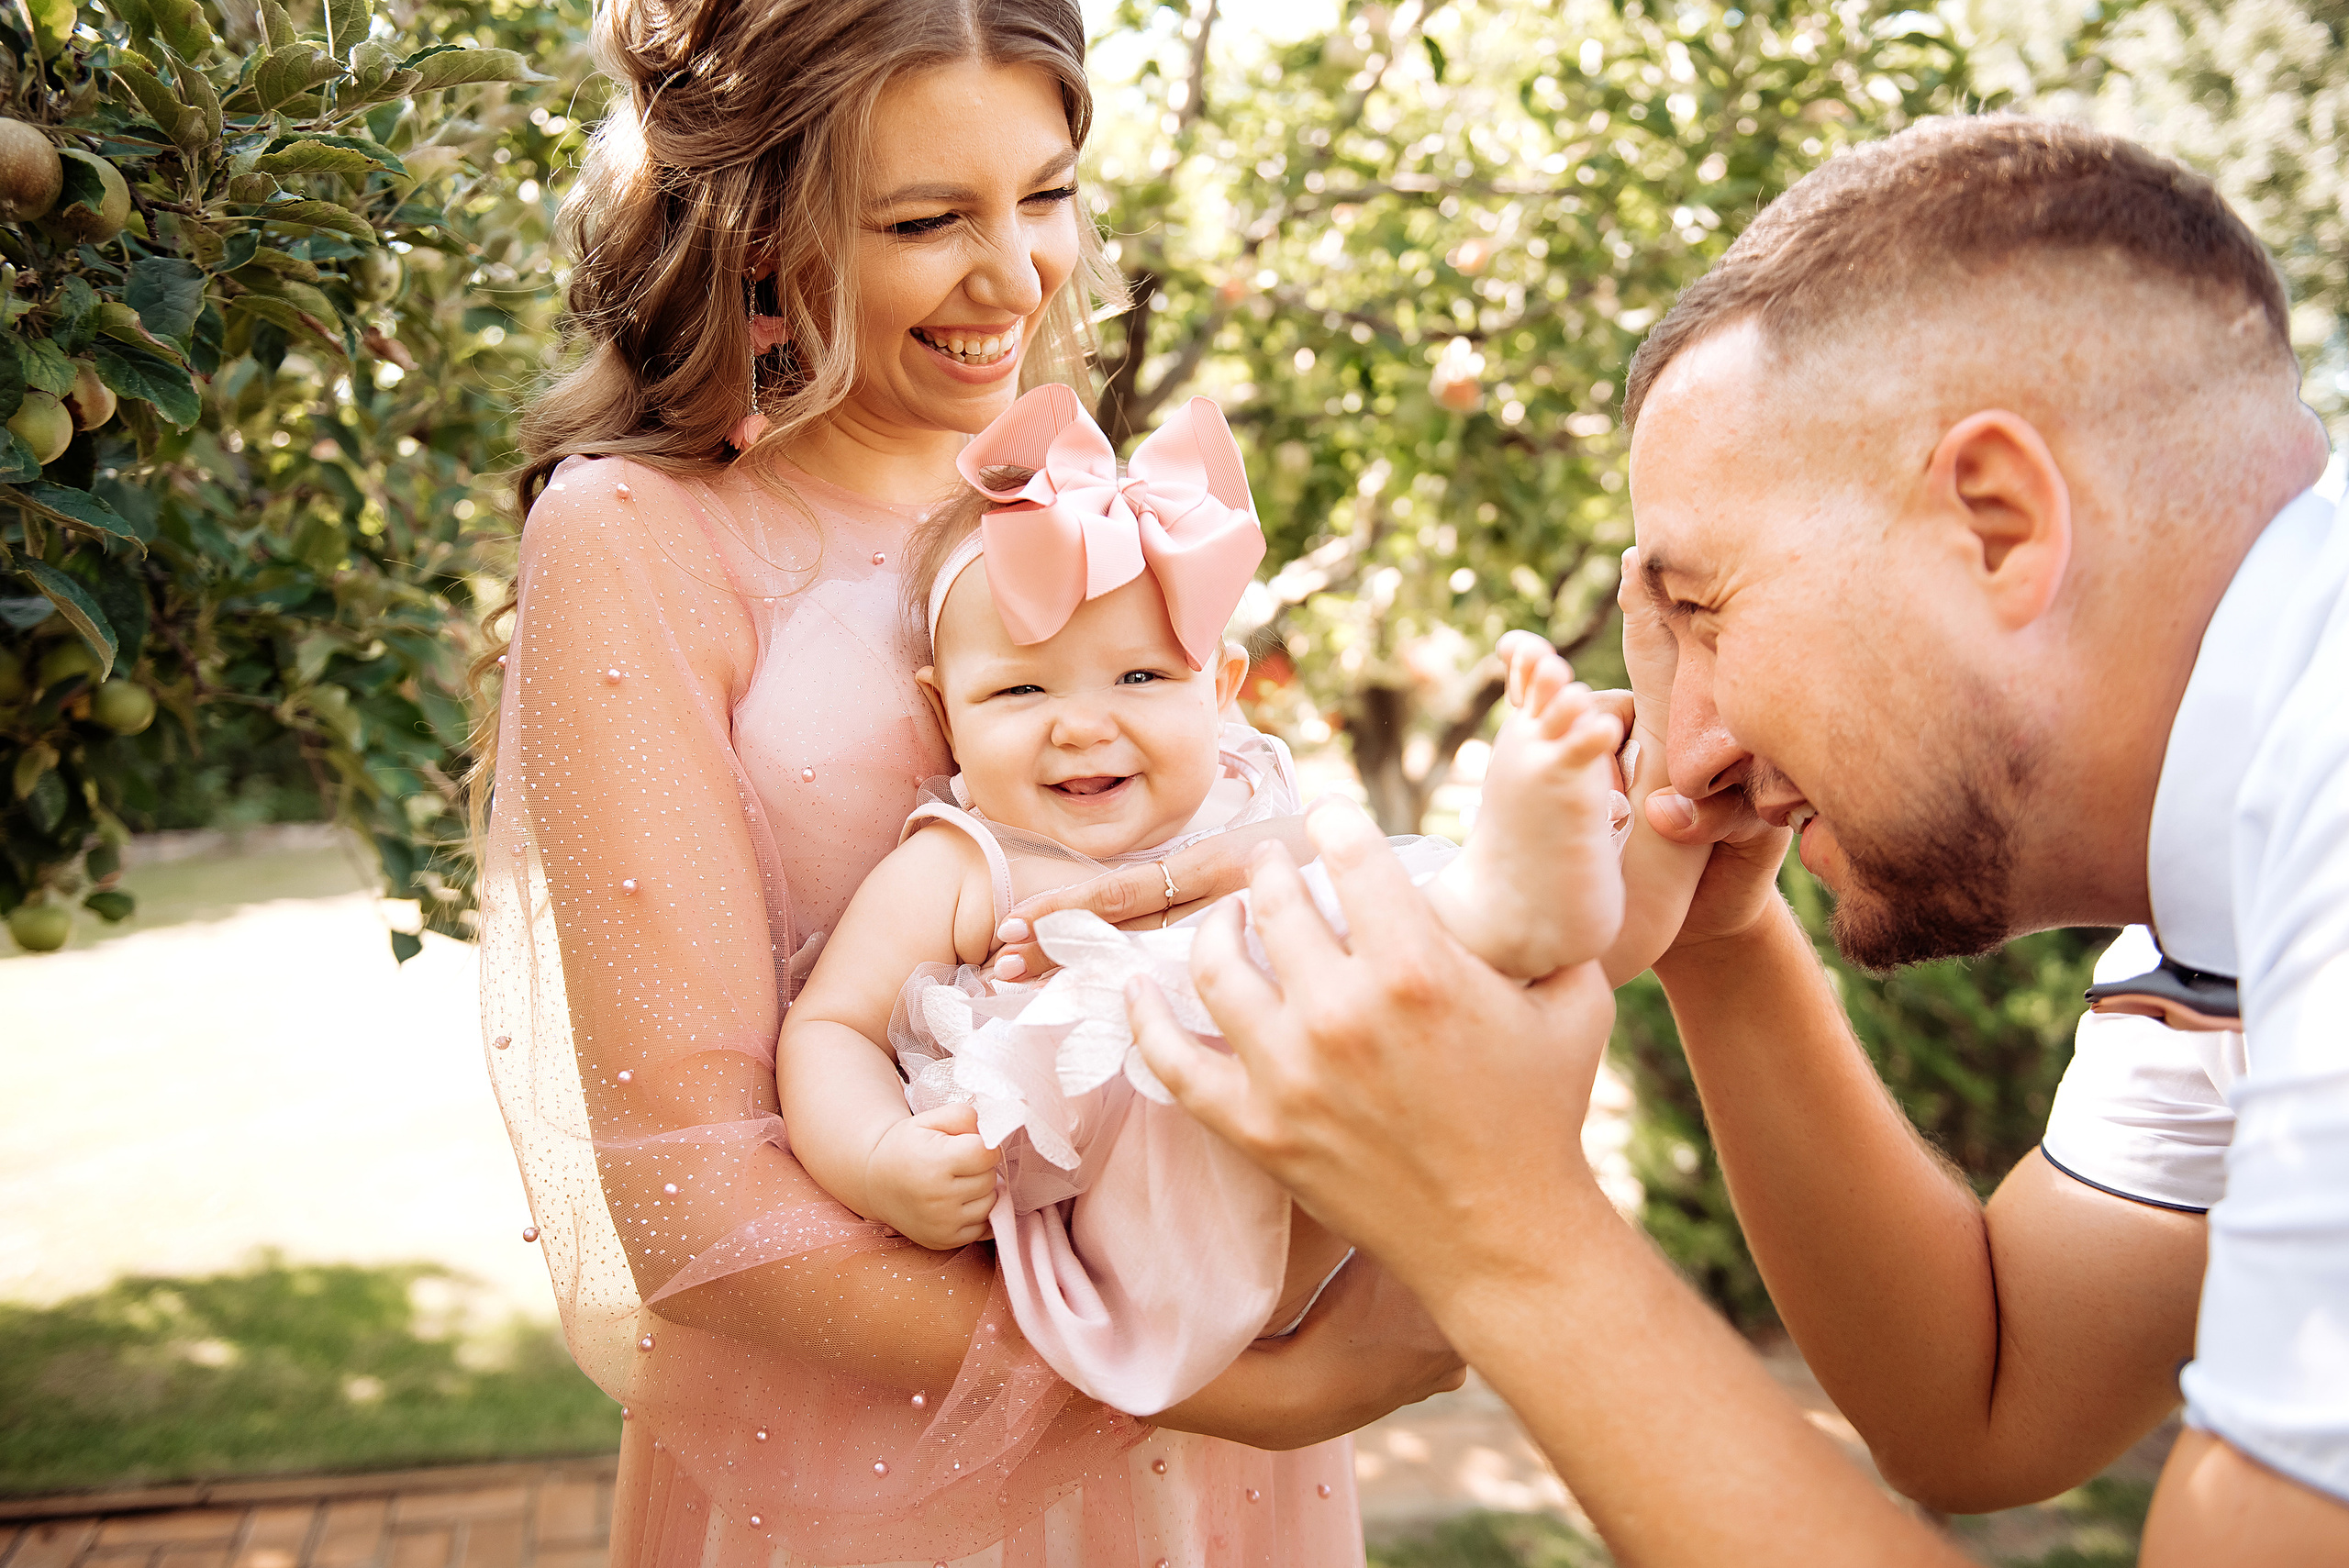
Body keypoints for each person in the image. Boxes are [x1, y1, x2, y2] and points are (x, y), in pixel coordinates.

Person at [1128, 114, 2349, 1566]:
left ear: (2001, 524)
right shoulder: (2228, 873)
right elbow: (1988, 1402)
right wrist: (1718, 935)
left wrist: (1498, 1224)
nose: (1682, 744)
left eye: (1704, 609)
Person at [473, 3, 1464, 1563]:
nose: (1018, 278)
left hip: (1209, 1462)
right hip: (876, 1455)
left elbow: (1244, 844)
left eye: (1049, 193)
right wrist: (1223, 1389)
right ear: (756, 228)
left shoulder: (1063, 490)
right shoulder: (638, 536)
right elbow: (696, 1210)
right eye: (929, 219)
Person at [778, 383, 1631, 1421]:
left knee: (1346, 888)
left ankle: (1555, 889)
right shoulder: (965, 862)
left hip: (1321, 1168)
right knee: (1233, 958)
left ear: (1221, 689)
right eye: (1020, 690)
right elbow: (831, 1024)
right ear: (941, 711)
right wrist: (878, 1157)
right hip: (1133, 1229)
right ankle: (1510, 901)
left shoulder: (1243, 793)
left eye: (1139, 676)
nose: (1083, 726)